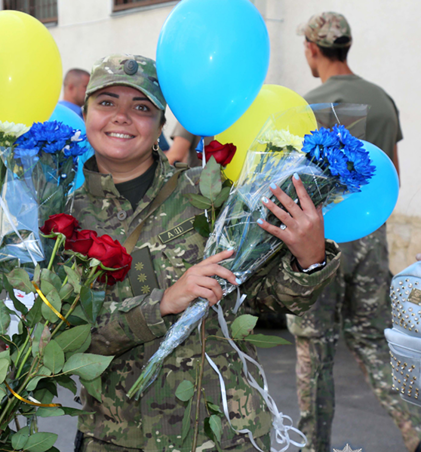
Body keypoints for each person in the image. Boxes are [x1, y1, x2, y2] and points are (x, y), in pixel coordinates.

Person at [70, 54, 341, 452]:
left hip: (225, 434)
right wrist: (161, 304)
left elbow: (266, 296)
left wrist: (309, 259)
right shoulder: (62, 219)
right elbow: (68, 341)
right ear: (85, 111)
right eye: (107, 102)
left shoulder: (209, 194)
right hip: (119, 438)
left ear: (162, 124)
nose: (122, 117)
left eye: (141, 107)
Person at [288, 12, 421, 452]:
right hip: (370, 238)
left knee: (315, 348)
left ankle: (313, 446)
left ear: (311, 48)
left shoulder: (306, 105)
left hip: (318, 241)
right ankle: (416, 427)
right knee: (373, 341)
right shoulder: (381, 100)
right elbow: (392, 177)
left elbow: (297, 187)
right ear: (347, 45)